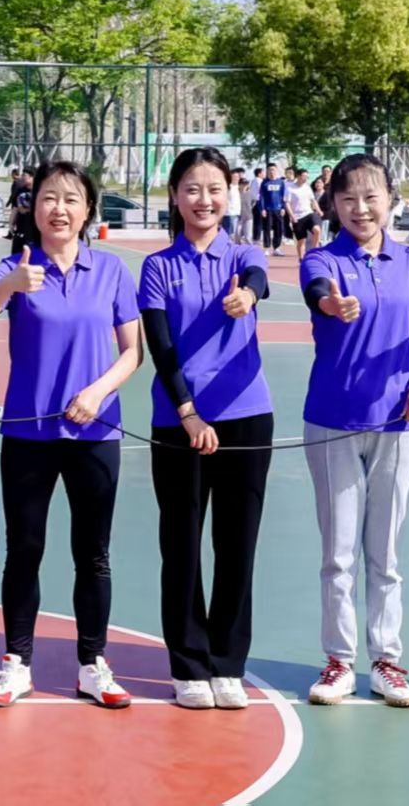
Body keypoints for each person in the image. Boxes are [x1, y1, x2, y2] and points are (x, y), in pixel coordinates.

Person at [0, 161, 144, 710]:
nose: (59, 209)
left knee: (93, 554)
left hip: (95, 432)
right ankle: (16, 664)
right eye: (49, 197)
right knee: (24, 550)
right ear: (33, 206)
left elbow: (132, 353)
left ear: (88, 209)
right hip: (29, 432)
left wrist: (96, 393)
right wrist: (10, 284)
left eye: (71, 198)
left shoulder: (110, 270)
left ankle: (93, 663)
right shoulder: (17, 266)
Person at [299, 155, 409, 708]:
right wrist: (331, 305)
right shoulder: (322, 260)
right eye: (348, 199)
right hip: (332, 423)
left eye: (371, 196)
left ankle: (387, 662)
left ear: (390, 200)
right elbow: (318, 293)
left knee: (386, 552)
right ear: (332, 205)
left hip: (399, 425)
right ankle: (339, 662)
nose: (361, 208)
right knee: (338, 554)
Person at [139, 147, 273, 711]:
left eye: (215, 188)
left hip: (247, 417)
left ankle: (228, 664)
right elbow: (161, 347)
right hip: (179, 421)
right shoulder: (157, 267)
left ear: (230, 194)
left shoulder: (243, 255)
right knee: (182, 545)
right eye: (192, 188)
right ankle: (189, 665)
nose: (204, 199)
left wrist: (249, 294)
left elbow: (258, 277)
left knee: (237, 546)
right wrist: (188, 412)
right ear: (175, 196)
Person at [287, 167, 317, 259]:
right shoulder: (290, 188)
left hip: (308, 213)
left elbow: (313, 200)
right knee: (301, 241)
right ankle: (301, 258)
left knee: (317, 230)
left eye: (307, 177)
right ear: (298, 176)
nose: (306, 178)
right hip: (297, 216)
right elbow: (287, 203)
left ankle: (314, 251)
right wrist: (292, 216)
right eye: (304, 176)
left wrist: (318, 210)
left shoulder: (307, 187)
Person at [259, 162, 289, 254]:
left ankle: (277, 248)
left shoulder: (281, 182)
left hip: (278, 209)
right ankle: (267, 247)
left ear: (276, 170)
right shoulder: (264, 182)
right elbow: (261, 196)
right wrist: (262, 209)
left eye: (273, 170)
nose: (272, 172)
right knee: (267, 229)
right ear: (267, 171)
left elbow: (284, 196)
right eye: (270, 170)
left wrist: (283, 207)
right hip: (268, 209)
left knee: (279, 229)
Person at [8, 170, 35, 257]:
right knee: (16, 255)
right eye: (22, 175)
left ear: (32, 177)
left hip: (33, 230)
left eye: (24, 175)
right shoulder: (20, 190)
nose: (22, 177)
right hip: (20, 229)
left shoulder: (39, 192)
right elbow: (15, 208)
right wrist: (11, 224)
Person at [222, 169, 244, 238]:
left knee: (234, 233)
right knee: (228, 233)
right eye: (234, 177)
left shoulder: (238, 187)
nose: (237, 178)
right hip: (229, 213)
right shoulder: (227, 187)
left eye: (238, 177)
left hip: (237, 213)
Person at [248, 167, 266, 246]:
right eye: (263, 172)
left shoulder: (253, 181)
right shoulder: (260, 181)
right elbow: (262, 192)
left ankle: (256, 237)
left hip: (254, 202)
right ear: (259, 174)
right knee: (259, 221)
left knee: (256, 221)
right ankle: (257, 238)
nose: (264, 174)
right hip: (258, 202)